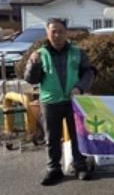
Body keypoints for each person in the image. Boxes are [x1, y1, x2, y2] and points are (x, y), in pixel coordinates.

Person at [24, 18, 95, 185]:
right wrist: (33, 64)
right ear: (47, 33)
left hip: (74, 101)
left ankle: (80, 166)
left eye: (60, 31)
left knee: (77, 135)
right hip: (50, 102)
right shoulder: (39, 54)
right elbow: (31, 79)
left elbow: (89, 72)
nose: (57, 35)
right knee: (52, 138)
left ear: (66, 33)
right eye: (53, 31)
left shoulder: (77, 52)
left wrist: (80, 87)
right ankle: (54, 169)